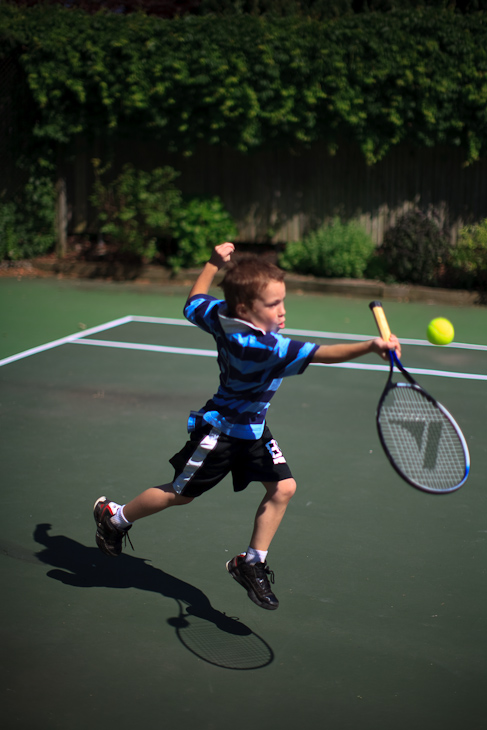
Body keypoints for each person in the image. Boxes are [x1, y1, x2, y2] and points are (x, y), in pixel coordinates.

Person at [94, 242, 401, 611]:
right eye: (273, 305)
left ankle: (251, 562)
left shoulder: (221, 314)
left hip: (253, 429)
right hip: (221, 433)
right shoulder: (262, 348)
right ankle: (116, 517)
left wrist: (211, 263)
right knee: (181, 494)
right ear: (245, 308)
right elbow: (323, 354)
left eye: (283, 301)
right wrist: (371, 346)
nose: (283, 311)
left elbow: (193, 302)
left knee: (283, 488)